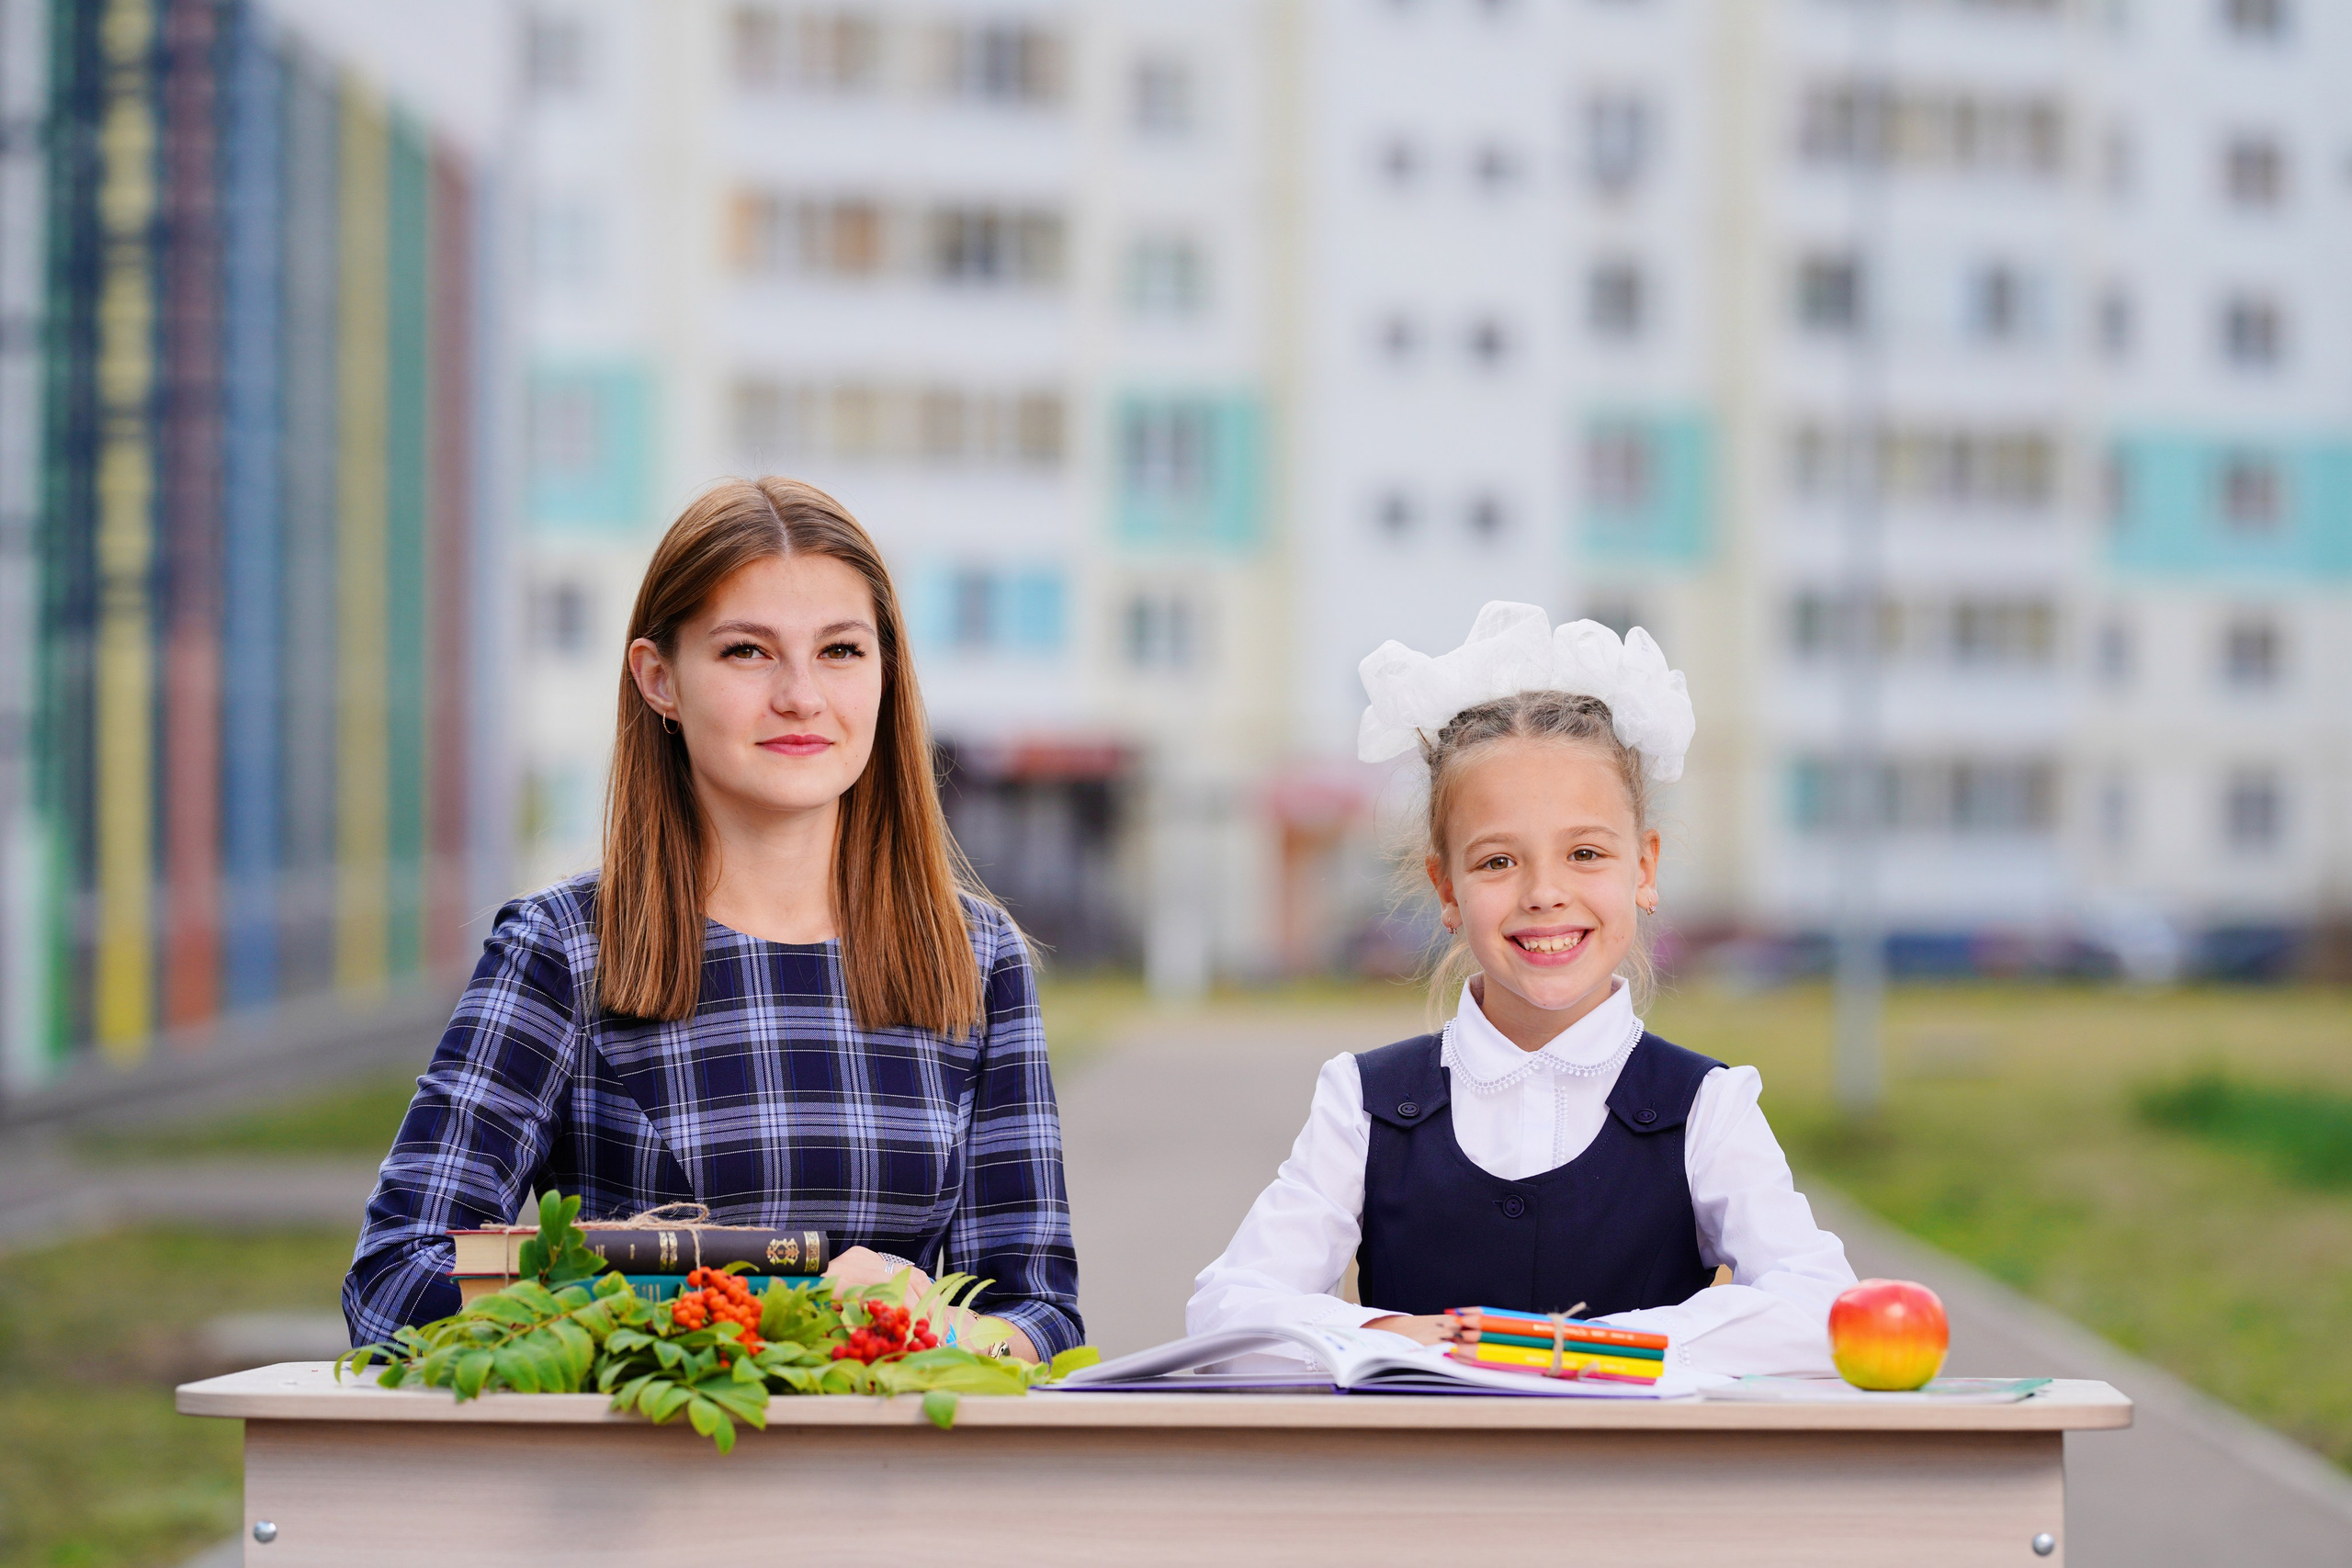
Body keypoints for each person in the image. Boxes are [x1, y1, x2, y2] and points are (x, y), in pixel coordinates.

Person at [344, 478, 1080, 1362]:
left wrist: (932, 1327)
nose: (803, 696)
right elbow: (395, 1282)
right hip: (640, 1489)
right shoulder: (564, 951)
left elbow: (1041, 1316)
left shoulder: (974, 956)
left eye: (841, 650)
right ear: (660, 679)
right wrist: (728, 1301)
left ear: (888, 672)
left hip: (894, 1492)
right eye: (747, 652)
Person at [1187, 603, 1852, 1380]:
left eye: (1585, 852)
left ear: (1644, 867)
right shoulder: (1362, 1103)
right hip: (1418, 1495)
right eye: (1498, 861)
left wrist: (1576, 1350)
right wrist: (1397, 1333)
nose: (1544, 892)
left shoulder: (1706, 1105)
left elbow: (1821, 1307)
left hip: (1637, 1496)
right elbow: (1227, 1309)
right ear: (1446, 886)